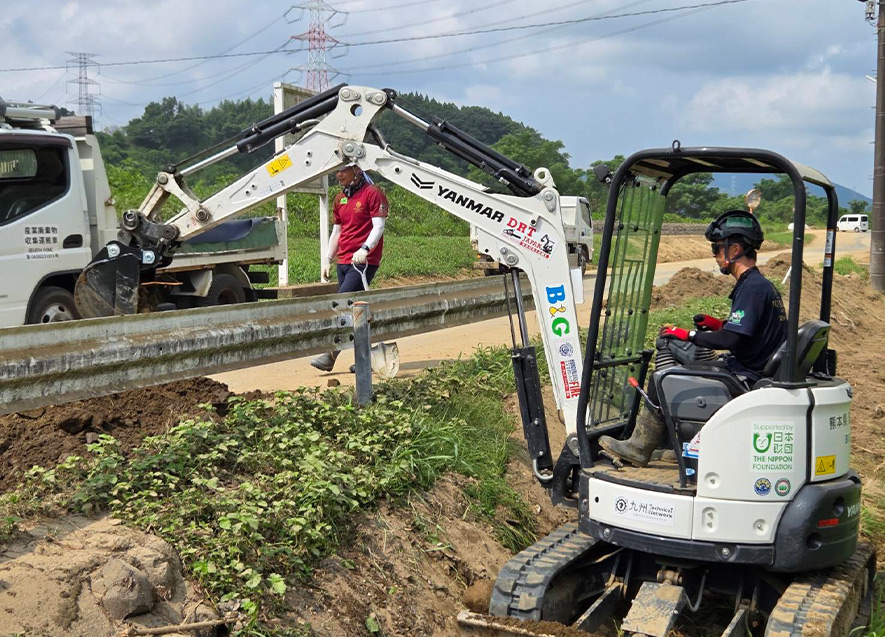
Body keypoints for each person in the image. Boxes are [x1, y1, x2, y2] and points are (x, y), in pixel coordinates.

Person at [597, 210, 788, 467]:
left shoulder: (752, 288)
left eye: (718, 248)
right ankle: (672, 445)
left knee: (662, 378)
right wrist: (716, 324)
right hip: (751, 368)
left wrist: (688, 335)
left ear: (735, 249)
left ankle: (640, 448)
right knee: (677, 369)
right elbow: (750, 330)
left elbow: (731, 341)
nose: (714, 255)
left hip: (745, 376)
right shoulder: (759, 285)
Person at [310, 162, 389, 372]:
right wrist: (327, 258)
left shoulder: (373, 193)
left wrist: (365, 249)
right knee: (354, 308)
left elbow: (379, 226)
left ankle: (330, 355)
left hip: (363, 262)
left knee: (343, 305)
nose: (339, 174)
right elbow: (337, 231)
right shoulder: (340, 198)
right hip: (343, 261)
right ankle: (366, 357)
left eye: (343, 170)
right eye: (337, 170)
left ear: (357, 170)